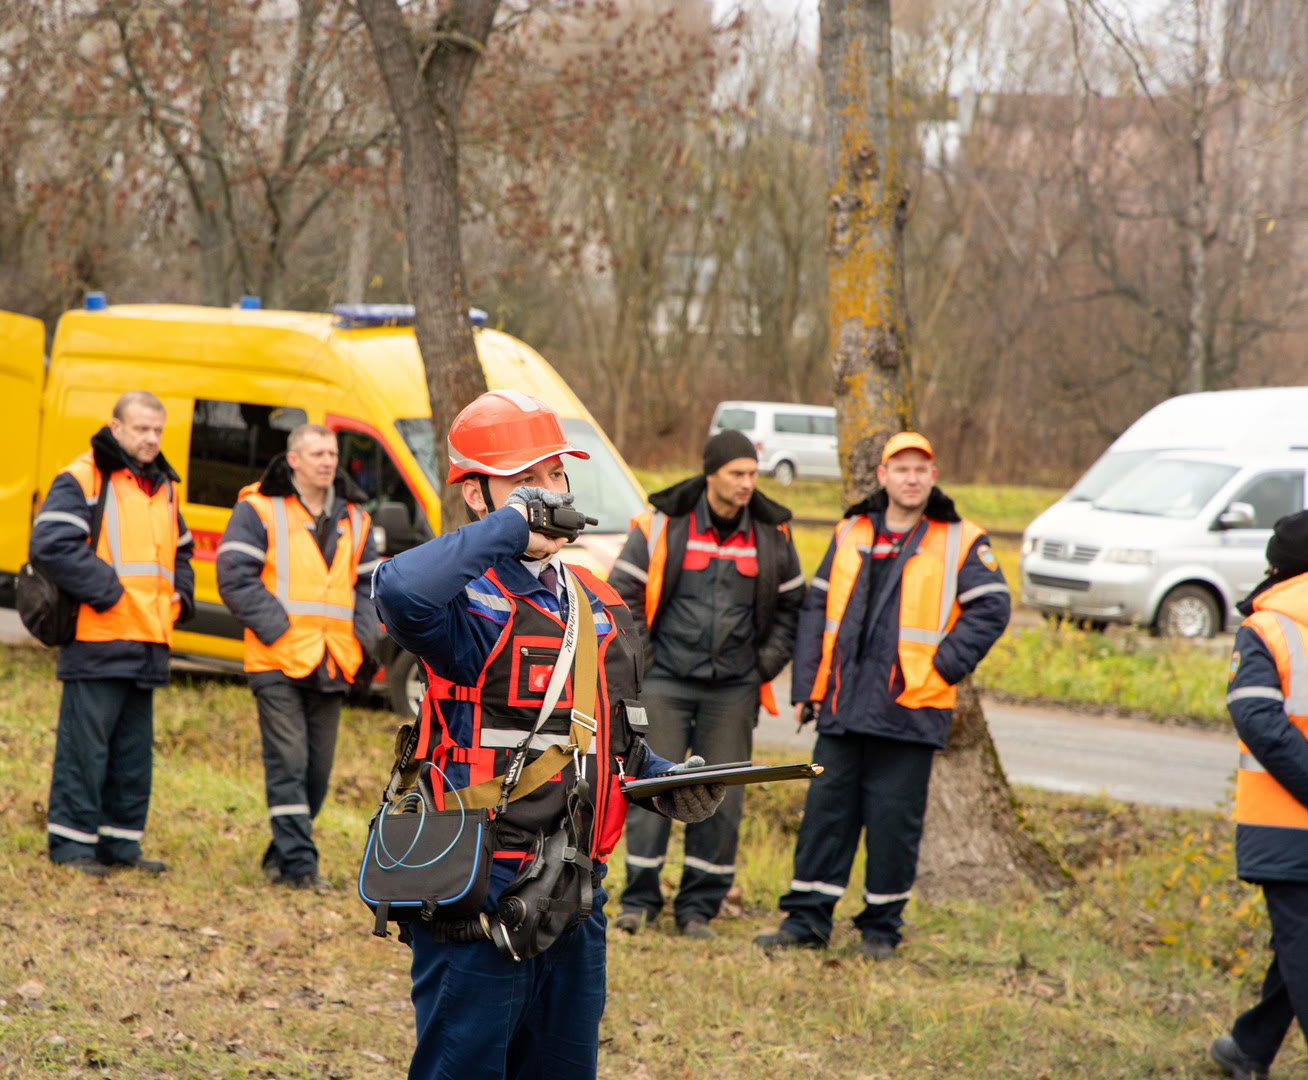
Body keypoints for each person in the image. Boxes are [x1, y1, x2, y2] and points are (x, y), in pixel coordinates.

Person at [371, 389, 725, 1080]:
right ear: (477, 495)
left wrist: (662, 780)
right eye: (524, 480)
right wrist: (509, 528)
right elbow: (399, 592)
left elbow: (610, 741)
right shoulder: (465, 601)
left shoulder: (599, 601)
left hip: (576, 889)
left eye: (555, 476)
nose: (547, 493)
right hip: (480, 884)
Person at [756, 431, 1009, 960]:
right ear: (883, 477)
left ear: (932, 477)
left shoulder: (962, 538)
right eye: (901, 469)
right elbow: (815, 611)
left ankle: (880, 930)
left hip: (911, 708)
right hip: (842, 707)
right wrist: (807, 687)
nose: (911, 478)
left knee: (894, 826)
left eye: (921, 469)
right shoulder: (852, 530)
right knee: (826, 817)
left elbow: (992, 608)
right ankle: (806, 921)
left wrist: (942, 667)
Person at [608, 428, 804, 939]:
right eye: (738, 473)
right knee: (653, 789)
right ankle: (638, 901)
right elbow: (621, 593)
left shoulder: (772, 533)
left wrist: (763, 666)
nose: (748, 484)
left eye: (753, 474)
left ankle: (699, 909)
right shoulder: (662, 523)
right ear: (711, 473)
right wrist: (644, 665)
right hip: (664, 683)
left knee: (722, 798)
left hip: (733, 689)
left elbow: (791, 606)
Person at [31, 390, 195, 877]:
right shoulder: (83, 475)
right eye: (141, 428)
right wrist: (108, 591)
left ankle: (121, 846)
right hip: (98, 636)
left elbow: (181, 551)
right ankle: (72, 846)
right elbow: (50, 542)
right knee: (85, 749)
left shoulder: (163, 485)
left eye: (157, 430)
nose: (151, 438)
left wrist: (180, 598)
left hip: (148, 639)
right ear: (116, 427)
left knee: (131, 753)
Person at [219, 424, 379, 891]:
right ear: (293, 460)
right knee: (288, 762)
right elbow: (233, 577)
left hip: (334, 659)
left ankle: (281, 853)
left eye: (331, 453)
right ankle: (299, 866)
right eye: (317, 453)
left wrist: (361, 639)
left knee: (317, 775)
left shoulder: (356, 518)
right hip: (277, 658)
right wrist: (279, 629)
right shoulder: (257, 509)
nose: (327, 461)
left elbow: (370, 587)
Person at [1209, 511, 1308, 1079]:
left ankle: (1249, 1048)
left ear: (1278, 566)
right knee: (1300, 942)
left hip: (1286, 825)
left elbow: (1258, 719)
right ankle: (1250, 1047)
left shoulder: (1268, 628)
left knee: (1303, 947)